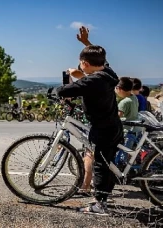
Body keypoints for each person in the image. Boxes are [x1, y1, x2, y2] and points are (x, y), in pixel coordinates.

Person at [56, 26, 123, 215]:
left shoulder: (93, 81)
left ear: (84, 63)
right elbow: (103, 62)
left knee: (100, 164)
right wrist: (87, 43)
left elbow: (64, 91)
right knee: (106, 161)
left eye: (80, 64)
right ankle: (104, 196)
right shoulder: (109, 74)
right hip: (112, 126)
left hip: (102, 128)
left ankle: (99, 205)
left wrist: (63, 84)